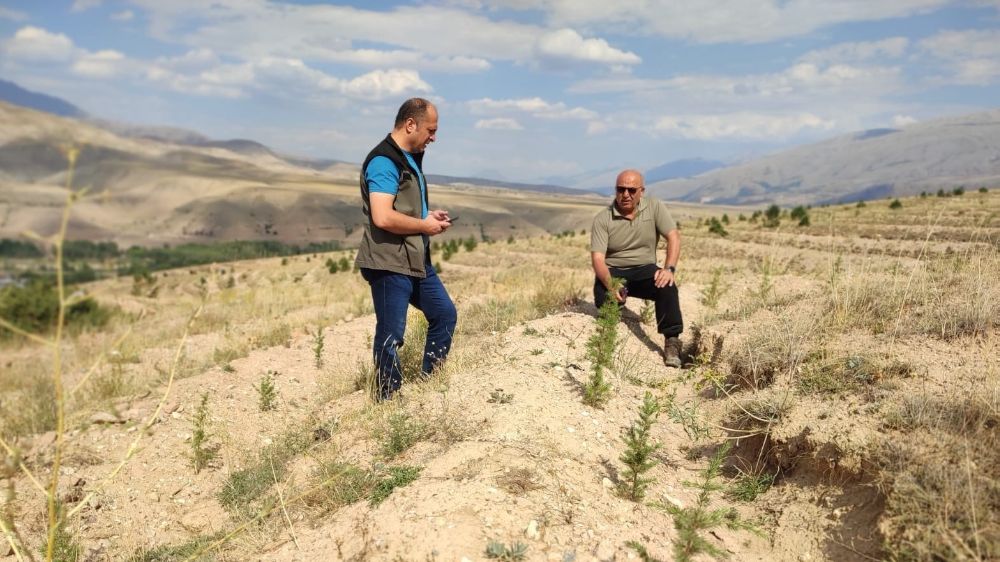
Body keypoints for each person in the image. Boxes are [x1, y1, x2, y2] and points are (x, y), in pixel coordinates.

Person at [355, 98, 457, 400]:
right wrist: (424, 226)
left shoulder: (410, 157)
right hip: (388, 262)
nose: (434, 137)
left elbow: (403, 208)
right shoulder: (384, 161)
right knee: (391, 335)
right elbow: (383, 216)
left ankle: (430, 384)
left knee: (444, 314)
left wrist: (427, 217)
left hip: (415, 259)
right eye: (431, 130)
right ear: (410, 124)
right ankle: (387, 398)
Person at [590, 169, 684, 367]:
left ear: (641, 191)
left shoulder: (655, 207)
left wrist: (669, 269)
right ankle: (615, 318)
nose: (626, 195)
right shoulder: (602, 219)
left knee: (667, 286)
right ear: (615, 190)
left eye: (631, 190)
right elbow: (598, 258)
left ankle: (672, 342)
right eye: (621, 189)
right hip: (614, 270)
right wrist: (610, 285)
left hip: (644, 269)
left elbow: (673, 236)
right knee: (603, 298)